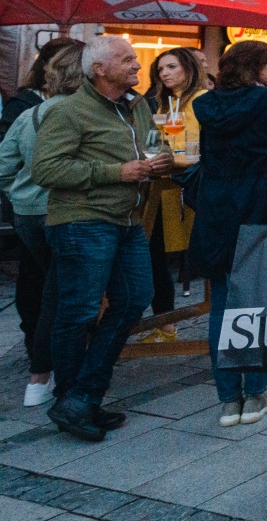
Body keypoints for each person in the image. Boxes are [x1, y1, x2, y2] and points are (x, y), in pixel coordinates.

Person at [32, 35, 175, 441]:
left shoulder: (137, 105)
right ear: (99, 70)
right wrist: (116, 172)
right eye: (127, 60)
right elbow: (46, 169)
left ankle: (81, 398)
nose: (137, 65)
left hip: (127, 221)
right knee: (79, 312)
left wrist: (162, 159)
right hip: (82, 221)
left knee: (134, 298)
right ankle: (73, 399)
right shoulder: (69, 111)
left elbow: (155, 145)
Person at [190, 39, 267, 427]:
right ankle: (255, 392)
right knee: (257, 301)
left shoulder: (206, 104)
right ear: (255, 68)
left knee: (222, 302)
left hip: (216, 209)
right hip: (260, 205)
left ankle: (227, 399)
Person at [0, 42, 85, 407]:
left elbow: (3, 165)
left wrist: (19, 194)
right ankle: (44, 374)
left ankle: (46, 372)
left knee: (50, 283)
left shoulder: (31, 113)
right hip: (62, 212)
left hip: (27, 214)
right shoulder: (84, 113)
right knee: (60, 291)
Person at [142, 47, 210, 330]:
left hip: (193, 184)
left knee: (194, 254)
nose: (165, 74)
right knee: (155, 250)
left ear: (188, 68)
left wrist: (173, 158)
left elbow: (199, 148)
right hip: (165, 185)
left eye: (171, 67)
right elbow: (159, 142)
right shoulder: (165, 102)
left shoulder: (202, 99)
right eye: (160, 69)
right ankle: (164, 321)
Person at [0, 38, 82, 138]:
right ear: (46, 66)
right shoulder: (21, 104)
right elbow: (6, 141)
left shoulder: (83, 101)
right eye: (66, 66)